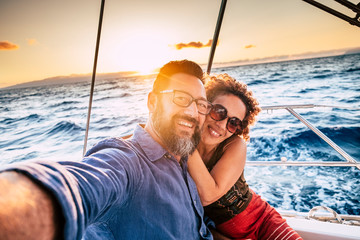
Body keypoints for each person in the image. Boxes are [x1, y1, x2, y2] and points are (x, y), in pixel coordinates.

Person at [0, 60, 220, 240]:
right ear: (153, 102)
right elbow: (80, 186)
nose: (193, 113)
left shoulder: (182, 159)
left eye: (201, 105)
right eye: (181, 98)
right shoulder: (126, 162)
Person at [188, 73, 303, 240]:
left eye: (233, 123)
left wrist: (186, 143)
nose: (221, 125)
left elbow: (208, 195)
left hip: (263, 223)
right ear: (204, 106)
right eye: (219, 112)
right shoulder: (177, 148)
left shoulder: (234, 145)